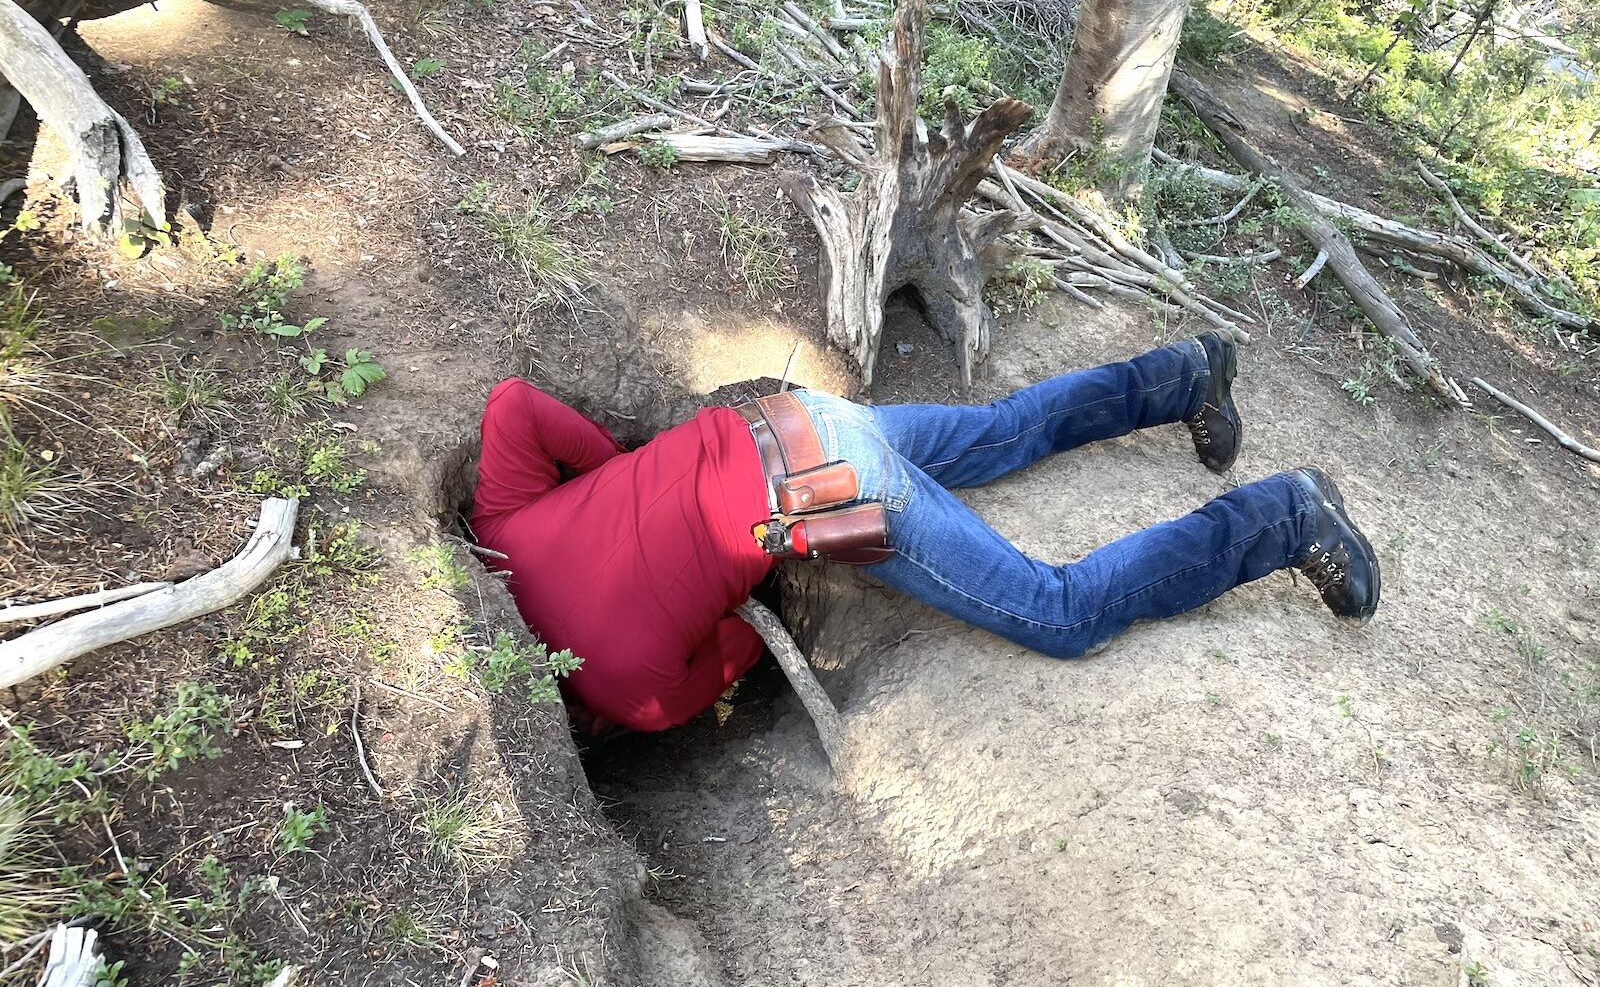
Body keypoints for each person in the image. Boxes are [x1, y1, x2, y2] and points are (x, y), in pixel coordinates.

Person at [470, 334, 1379, 733]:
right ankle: (1185, 374)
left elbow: (736, 650)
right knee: (999, 432)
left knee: (1060, 612)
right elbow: (513, 406)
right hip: (791, 421)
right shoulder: (502, 529)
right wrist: (608, 484)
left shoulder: (629, 694)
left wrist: (675, 602)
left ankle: (1284, 516)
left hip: (835, 494)